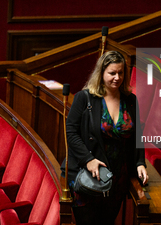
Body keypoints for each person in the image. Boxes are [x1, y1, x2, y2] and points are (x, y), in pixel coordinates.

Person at [61, 50, 148, 225]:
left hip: (118, 178)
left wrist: (139, 162)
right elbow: (70, 131)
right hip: (88, 175)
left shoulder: (130, 100)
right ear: (101, 73)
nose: (117, 77)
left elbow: (137, 134)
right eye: (112, 73)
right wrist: (88, 160)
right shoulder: (84, 98)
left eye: (121, 73)